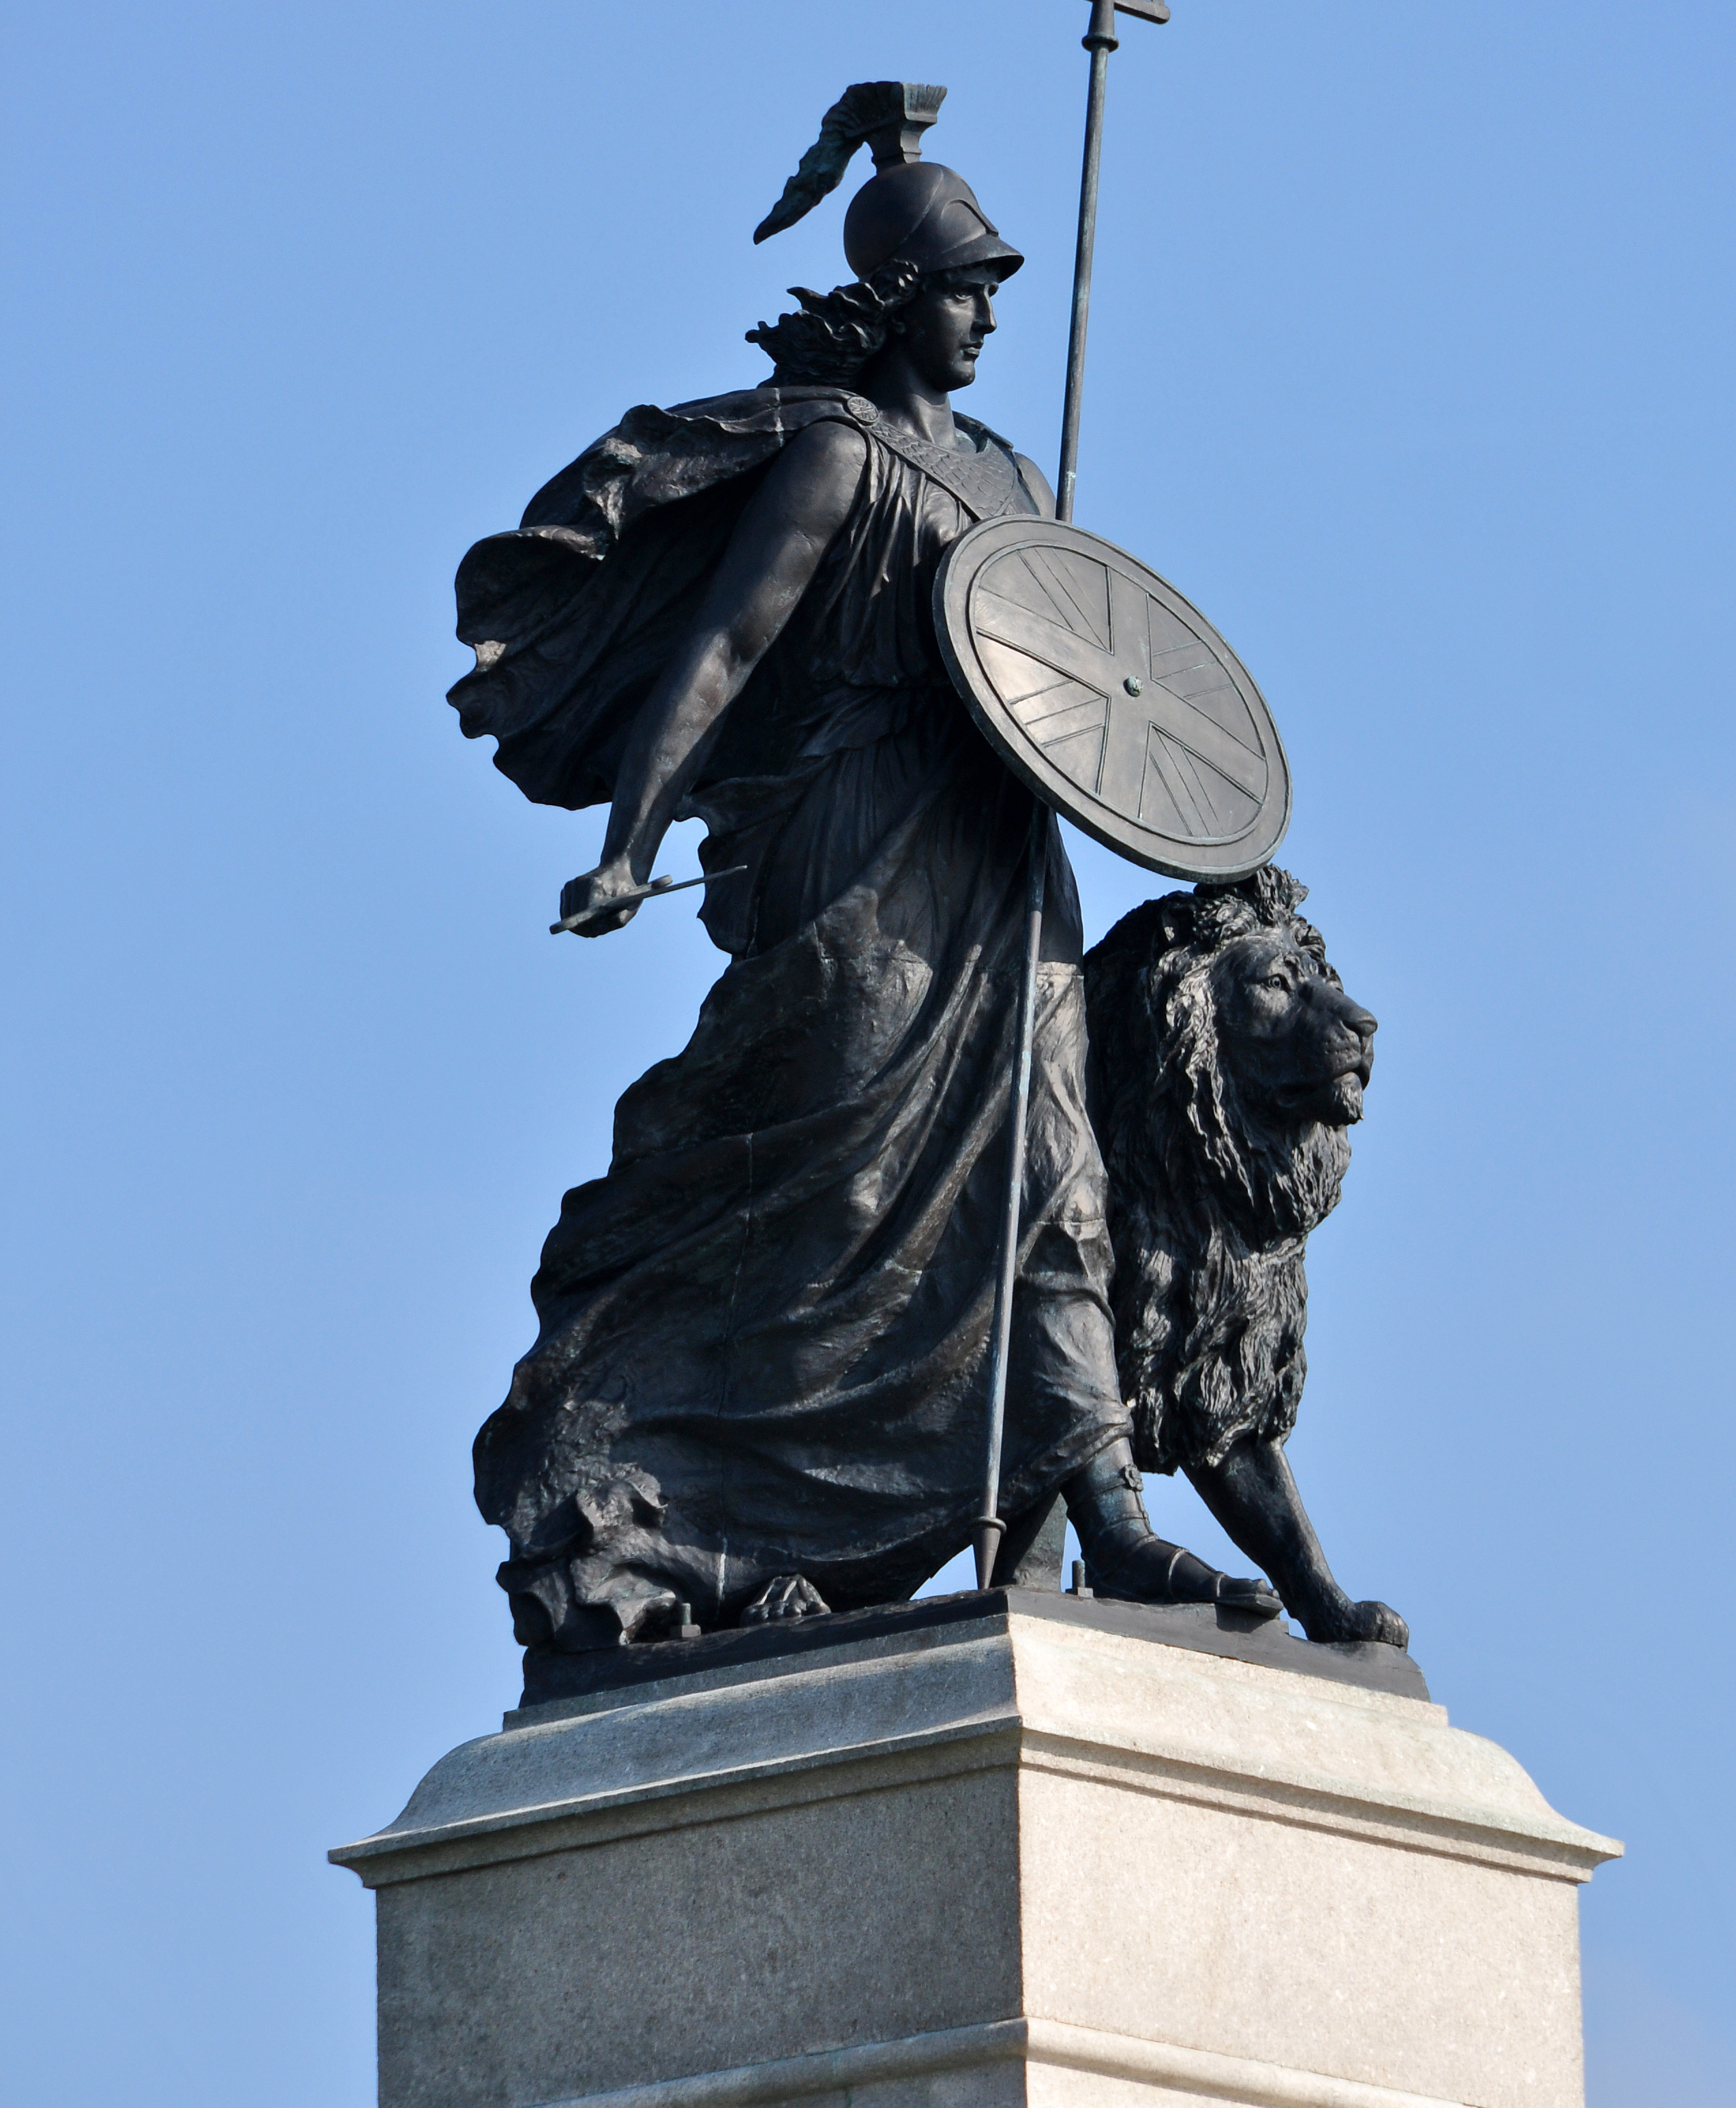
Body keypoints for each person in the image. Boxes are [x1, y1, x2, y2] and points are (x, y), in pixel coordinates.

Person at [452, 97, 1274, 1647]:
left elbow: (1087, 680)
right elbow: (726, 649)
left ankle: (1109, 1511)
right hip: (857, 841)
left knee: (1055, 1164)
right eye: (964, 289)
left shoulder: (1021, 485)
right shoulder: (834, 453)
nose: (983, 318)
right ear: (899, 296)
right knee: (832, 1188)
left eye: (994, 293)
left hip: (1001, 847)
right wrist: (629, 843)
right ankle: (701, 1498)